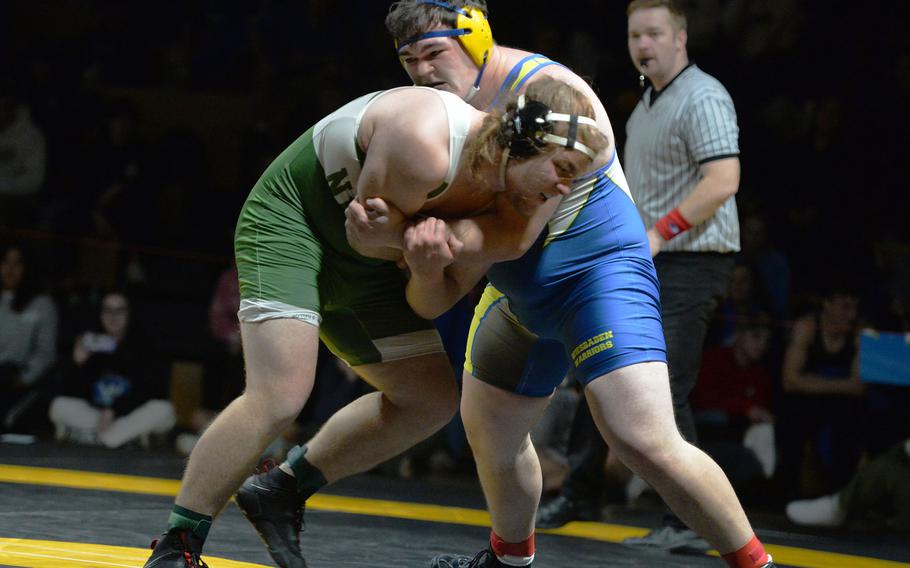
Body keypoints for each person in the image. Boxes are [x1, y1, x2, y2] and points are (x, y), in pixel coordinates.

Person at [354, 2, 767, 567]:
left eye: (434, 52)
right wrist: (399, 240)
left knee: (643, 440)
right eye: (409, 60)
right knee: (489, 432)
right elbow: (439, 281)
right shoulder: (444, 113)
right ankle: (509, 559)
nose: (423, 72)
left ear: (476, 39)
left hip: (597, 280)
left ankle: (757, 566)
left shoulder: (549, 96)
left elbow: (515, 233)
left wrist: (403, 233)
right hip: (518, 292)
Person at [142, 77, 606, 568]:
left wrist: (426, 267)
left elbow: (432, 302)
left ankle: (281, 489)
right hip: (298, 218)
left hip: (370, 260)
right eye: (561, 168)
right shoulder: (425, 141)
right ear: (522, 145)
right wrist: (407, 242)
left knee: (430, 399)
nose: (564, 187)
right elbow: (363, 232)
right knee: (281, 394)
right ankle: (178, 545)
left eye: (574, 175)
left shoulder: (519, 214)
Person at [538, 0, 744, 554]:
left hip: (691, 260)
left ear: (680, 37)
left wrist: (660, 233)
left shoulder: (703, 95)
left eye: (655, 33)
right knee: (598, 365)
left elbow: (724, 179)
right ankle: (582, 492)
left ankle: (687, 521)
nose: (643, 44)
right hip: (642, 259)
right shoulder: (644, 106)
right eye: (635, 35)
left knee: (663, 386)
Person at [48, 290, 175, 448]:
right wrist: (77, 364)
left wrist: (114, 410)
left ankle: (98, 439)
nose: (113, 316)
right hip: (98, 417)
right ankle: (120, 440)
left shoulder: (143, 346)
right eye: (108, 310)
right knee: (58, 406)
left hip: (127, 416)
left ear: (129, 315)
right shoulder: (92, 344)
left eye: (119, 311)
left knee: (164, 410)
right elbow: (72, 393)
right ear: (100, 314)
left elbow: (147, 391)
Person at [775, 283, 865, 498]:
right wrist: (840, 385)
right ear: (827, 304)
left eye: (855, 308)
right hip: (804, 403)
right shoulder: (807, 326)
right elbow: (789, 380)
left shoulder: (859, 334)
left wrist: (811, 381)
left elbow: (859, 387)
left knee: (849, 422)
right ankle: (786, 492)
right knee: (792, 416)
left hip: (840, 405)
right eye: (845, 307)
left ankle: (841, 496)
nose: (851, 315)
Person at [0, 241, 58, 433]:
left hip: (15, 379)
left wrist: (24, 379)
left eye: (17, 264)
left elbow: (45, 352)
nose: (10, 269)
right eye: (5, 262)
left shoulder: (41, 304)